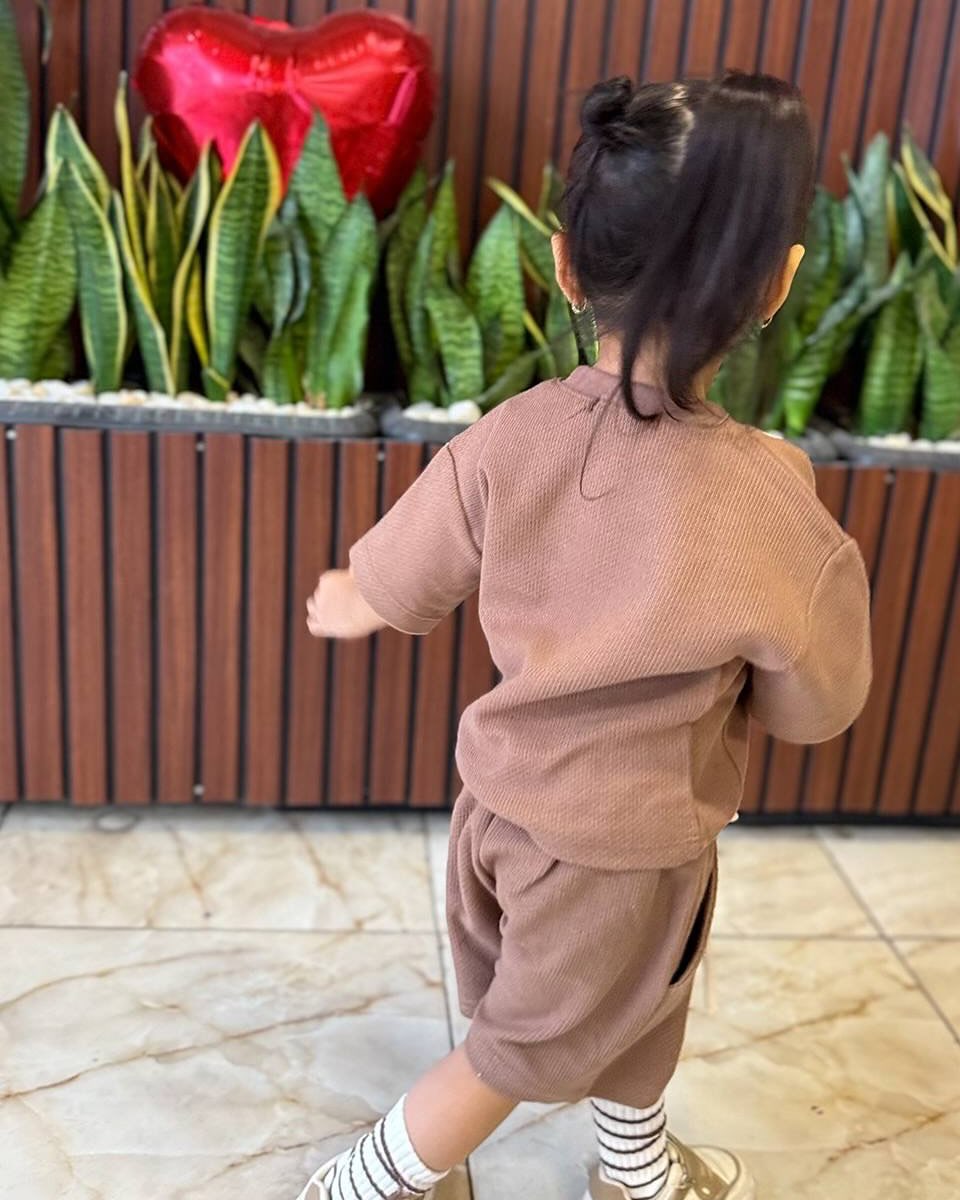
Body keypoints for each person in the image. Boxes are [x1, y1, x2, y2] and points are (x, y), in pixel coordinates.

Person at [298, 71, 872, 1200]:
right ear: (776, 283)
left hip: (499, 808)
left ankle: (633, 1166)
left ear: (564, 265)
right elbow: (817, 710)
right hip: (626, 848)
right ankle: (369, 1182)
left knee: (630, 998)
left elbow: (390, 582)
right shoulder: (773, 500)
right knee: (519, 1050)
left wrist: (345, 597)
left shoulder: (507, 438)